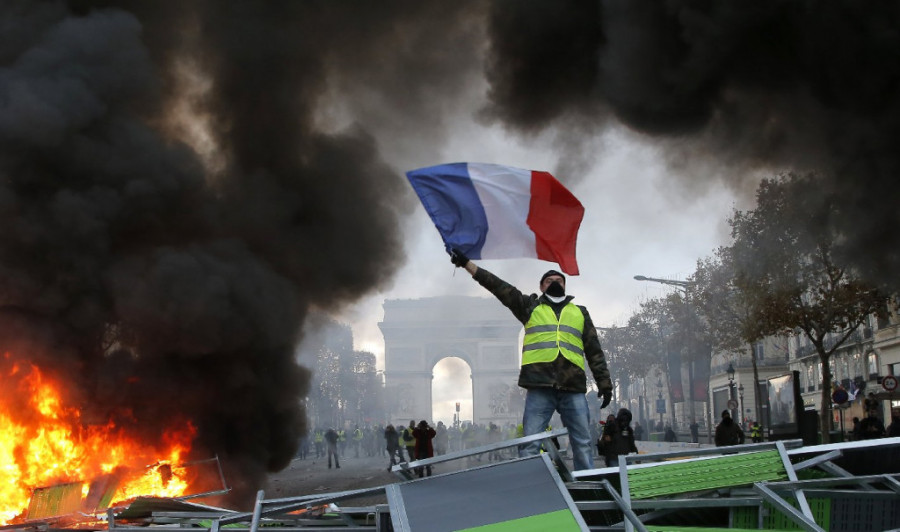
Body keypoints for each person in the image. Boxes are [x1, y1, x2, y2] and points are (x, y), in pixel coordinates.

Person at [450, 250, 613, 471]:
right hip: (540, 386)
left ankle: (588, 485)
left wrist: (604, 383)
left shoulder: (580, 312)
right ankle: (531, 483)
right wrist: (468, 265)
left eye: (559, 280)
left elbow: (595, 351)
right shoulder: (529, 307)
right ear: (541, 287)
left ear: (565, 286)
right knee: (530, 444)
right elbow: (498, 286)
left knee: (583, 443)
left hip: (572, 386)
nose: (554, 283)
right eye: (549, 280)